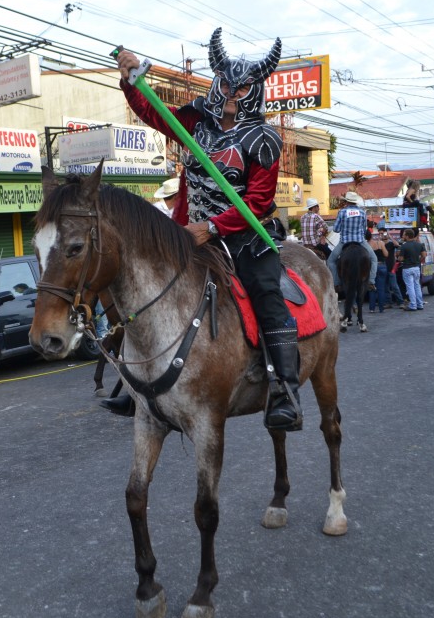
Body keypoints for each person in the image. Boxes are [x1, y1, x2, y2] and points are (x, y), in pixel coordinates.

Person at [111, 29, 302, 431]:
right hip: (186, 231)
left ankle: (285, 389)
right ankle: (135, 380)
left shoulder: (263, 139)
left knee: (267, 292)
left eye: (242, 86)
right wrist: (130, 79)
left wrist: (212, 227)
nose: (232, 92)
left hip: (244, 236)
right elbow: (153, 113)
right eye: (226, 83)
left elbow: (258, 203)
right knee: (140, 284)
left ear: (256, 90)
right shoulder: (196, 119)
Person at [326, 191, 378, 292]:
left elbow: (336, 229)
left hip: (344, 242)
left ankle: (337, 284)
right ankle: (371, 282)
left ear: (347, 202)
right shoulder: (362, 212)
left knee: (331, 261)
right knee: (374, 259)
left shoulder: (342, 212)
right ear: (355, 201)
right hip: (360, 241)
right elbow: (364, 230)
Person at [398, 229, 425, 311]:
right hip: (416, 267)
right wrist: (418, 261)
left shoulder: (404, 246)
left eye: (404, 235)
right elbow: (424, 255)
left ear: (407, 236)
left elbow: (401, 259)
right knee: (417, 286)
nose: (403, 236)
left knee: (410, 287)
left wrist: (399, 257)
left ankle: (413, 305)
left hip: (407, 268)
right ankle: (420, 304)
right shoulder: (419, 244)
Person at [366, 230, 388, 312]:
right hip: (382, 266)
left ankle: (372, 308)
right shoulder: (380, 243)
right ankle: (381, 308)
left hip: (371, 267)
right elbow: (386, 254)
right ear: (371, 236)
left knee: (372, 287)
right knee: (381, 288)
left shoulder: (366, 245)